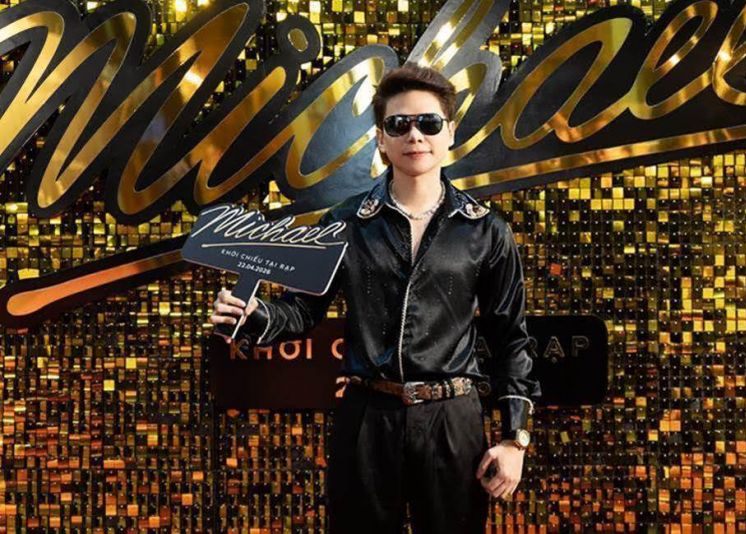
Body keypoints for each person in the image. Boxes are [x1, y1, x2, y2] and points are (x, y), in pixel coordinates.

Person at [211, 62, 540, 533]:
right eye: (398, 124)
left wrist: (514, 439)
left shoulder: (486, 230)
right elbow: (302, 310)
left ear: (449, 133)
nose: (415, 136)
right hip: (366, 417)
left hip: (452, 419)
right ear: (382, 139)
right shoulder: (345, 223)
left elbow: (511, 338)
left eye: (429, 123)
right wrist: (254, 314)